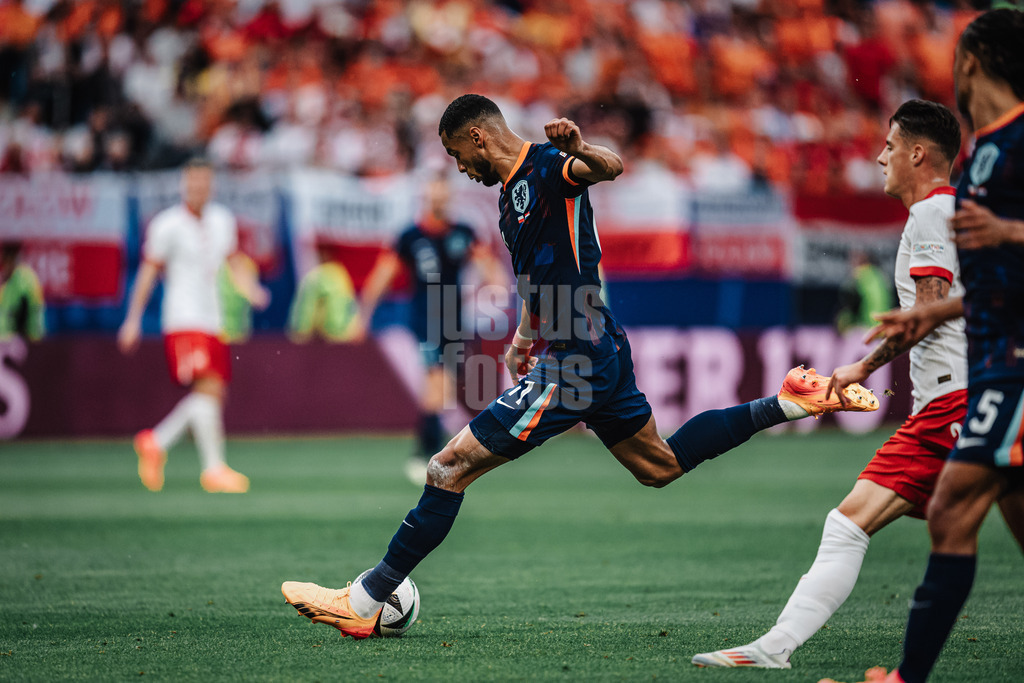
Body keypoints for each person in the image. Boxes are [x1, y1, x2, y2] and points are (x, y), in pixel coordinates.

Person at [279, 94, 878, 639]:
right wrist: (521, 336)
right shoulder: (508, 203)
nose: (459, 167)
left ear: (478, 138)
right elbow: (539, 279)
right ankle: (789, 402)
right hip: (594, 343)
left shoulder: (547, 166)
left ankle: (364, 600)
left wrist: (582, 148)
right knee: (659, 464)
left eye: (457, 153)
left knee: (447, 466)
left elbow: (608, 168)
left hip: (576, 359)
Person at [692, 99, 967, 669]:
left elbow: (929, 309)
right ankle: (775, 648)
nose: (879, 156)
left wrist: (861, 368)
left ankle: (774, 649)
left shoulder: (932, 216)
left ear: (917, 153)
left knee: (847, 523)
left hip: (953, 402)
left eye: (890, 146)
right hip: (967, 398)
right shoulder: (956, 214)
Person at [819, 9, 1024, 683]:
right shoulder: (988, 151)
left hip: (1008, 370)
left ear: (969, 63)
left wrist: (1008, 234)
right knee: (961, 510)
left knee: (953, 507)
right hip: (996, 364)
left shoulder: (1013, 142)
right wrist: (931, 316)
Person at [117, 158, 268, 494]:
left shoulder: (222, 220)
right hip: (183, 318)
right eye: (192, 183)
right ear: (184, 185)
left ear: (211, 185)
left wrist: (251, 290)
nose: (198, 188)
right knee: (209, 390)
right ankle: (212, 469)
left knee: (213, 395)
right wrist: (132, 319)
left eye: (204, 182)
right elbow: (147, 272)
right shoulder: (167, 225)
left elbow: (233, 263)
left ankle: (156, 442)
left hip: (213, 319)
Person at [354, 173, 504, 484]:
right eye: (433, 193)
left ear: (448, 196)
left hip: (454, 320)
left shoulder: (463, 232)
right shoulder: (410, 236)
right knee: (436, 385)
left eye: (443, 192)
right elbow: (383, 275)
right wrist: (363, 314)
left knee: (445, 389)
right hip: (424, 320)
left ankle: (432, 451)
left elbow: (490, 267)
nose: (438, 198)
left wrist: (499, 290)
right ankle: (426, 454)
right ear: (425, 197)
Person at [286, 242, 359, 344]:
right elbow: (350, 306)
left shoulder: (318, 276)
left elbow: (307, 306)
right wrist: (355, 329)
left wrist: (300, 330)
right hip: (346, 336)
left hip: (326, 337)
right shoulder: (342, 275)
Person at [0, 241, 45, 341]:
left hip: (20, 339)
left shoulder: (26, 279)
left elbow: (32, 309)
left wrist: (32, 335)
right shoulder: (3, 277)